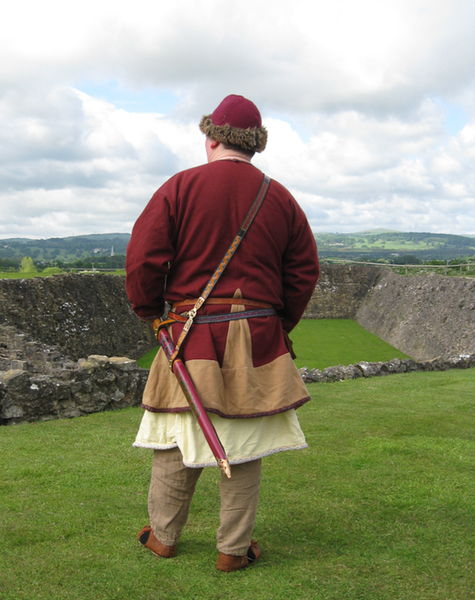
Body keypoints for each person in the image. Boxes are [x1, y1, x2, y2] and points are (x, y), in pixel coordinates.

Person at [125, 94, 319, 572]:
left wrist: (151, 312)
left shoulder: (180, 186)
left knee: (175, 433)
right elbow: (303, 273)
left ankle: (164, 537)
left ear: (210, 137)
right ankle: (233, 550)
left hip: (189, 334)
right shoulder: (281, 198)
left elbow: (144, 260)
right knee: (245, 442)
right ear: (254, 145)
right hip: (259, 334)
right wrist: (275, 325)